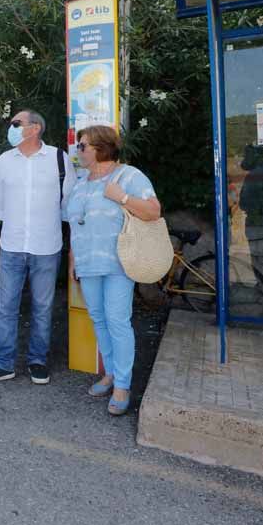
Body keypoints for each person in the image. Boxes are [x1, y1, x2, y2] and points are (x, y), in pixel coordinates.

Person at [64, 125, 161, 416]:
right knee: (98, 318)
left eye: (82, 146)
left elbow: (154, 211)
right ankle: (109, 373)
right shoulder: (81, 182)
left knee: (118, 321)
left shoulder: (128, 176)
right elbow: (75, 225)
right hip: (88, 263)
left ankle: (122, 384)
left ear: (100, 148)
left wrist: (121, 197)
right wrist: (73, 262)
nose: (78, 151)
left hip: (120, 262)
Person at [0, 109, 75, 386]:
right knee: (6, 306)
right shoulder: (5, 160)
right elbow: (1, 203)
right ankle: (3, 363)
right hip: (12, 244)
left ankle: (37, 361)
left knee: (43, 307)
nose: (11, 128)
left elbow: (69, 204)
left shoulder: (58, 158)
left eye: (16, 124)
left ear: (35, 129)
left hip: (47, 244)